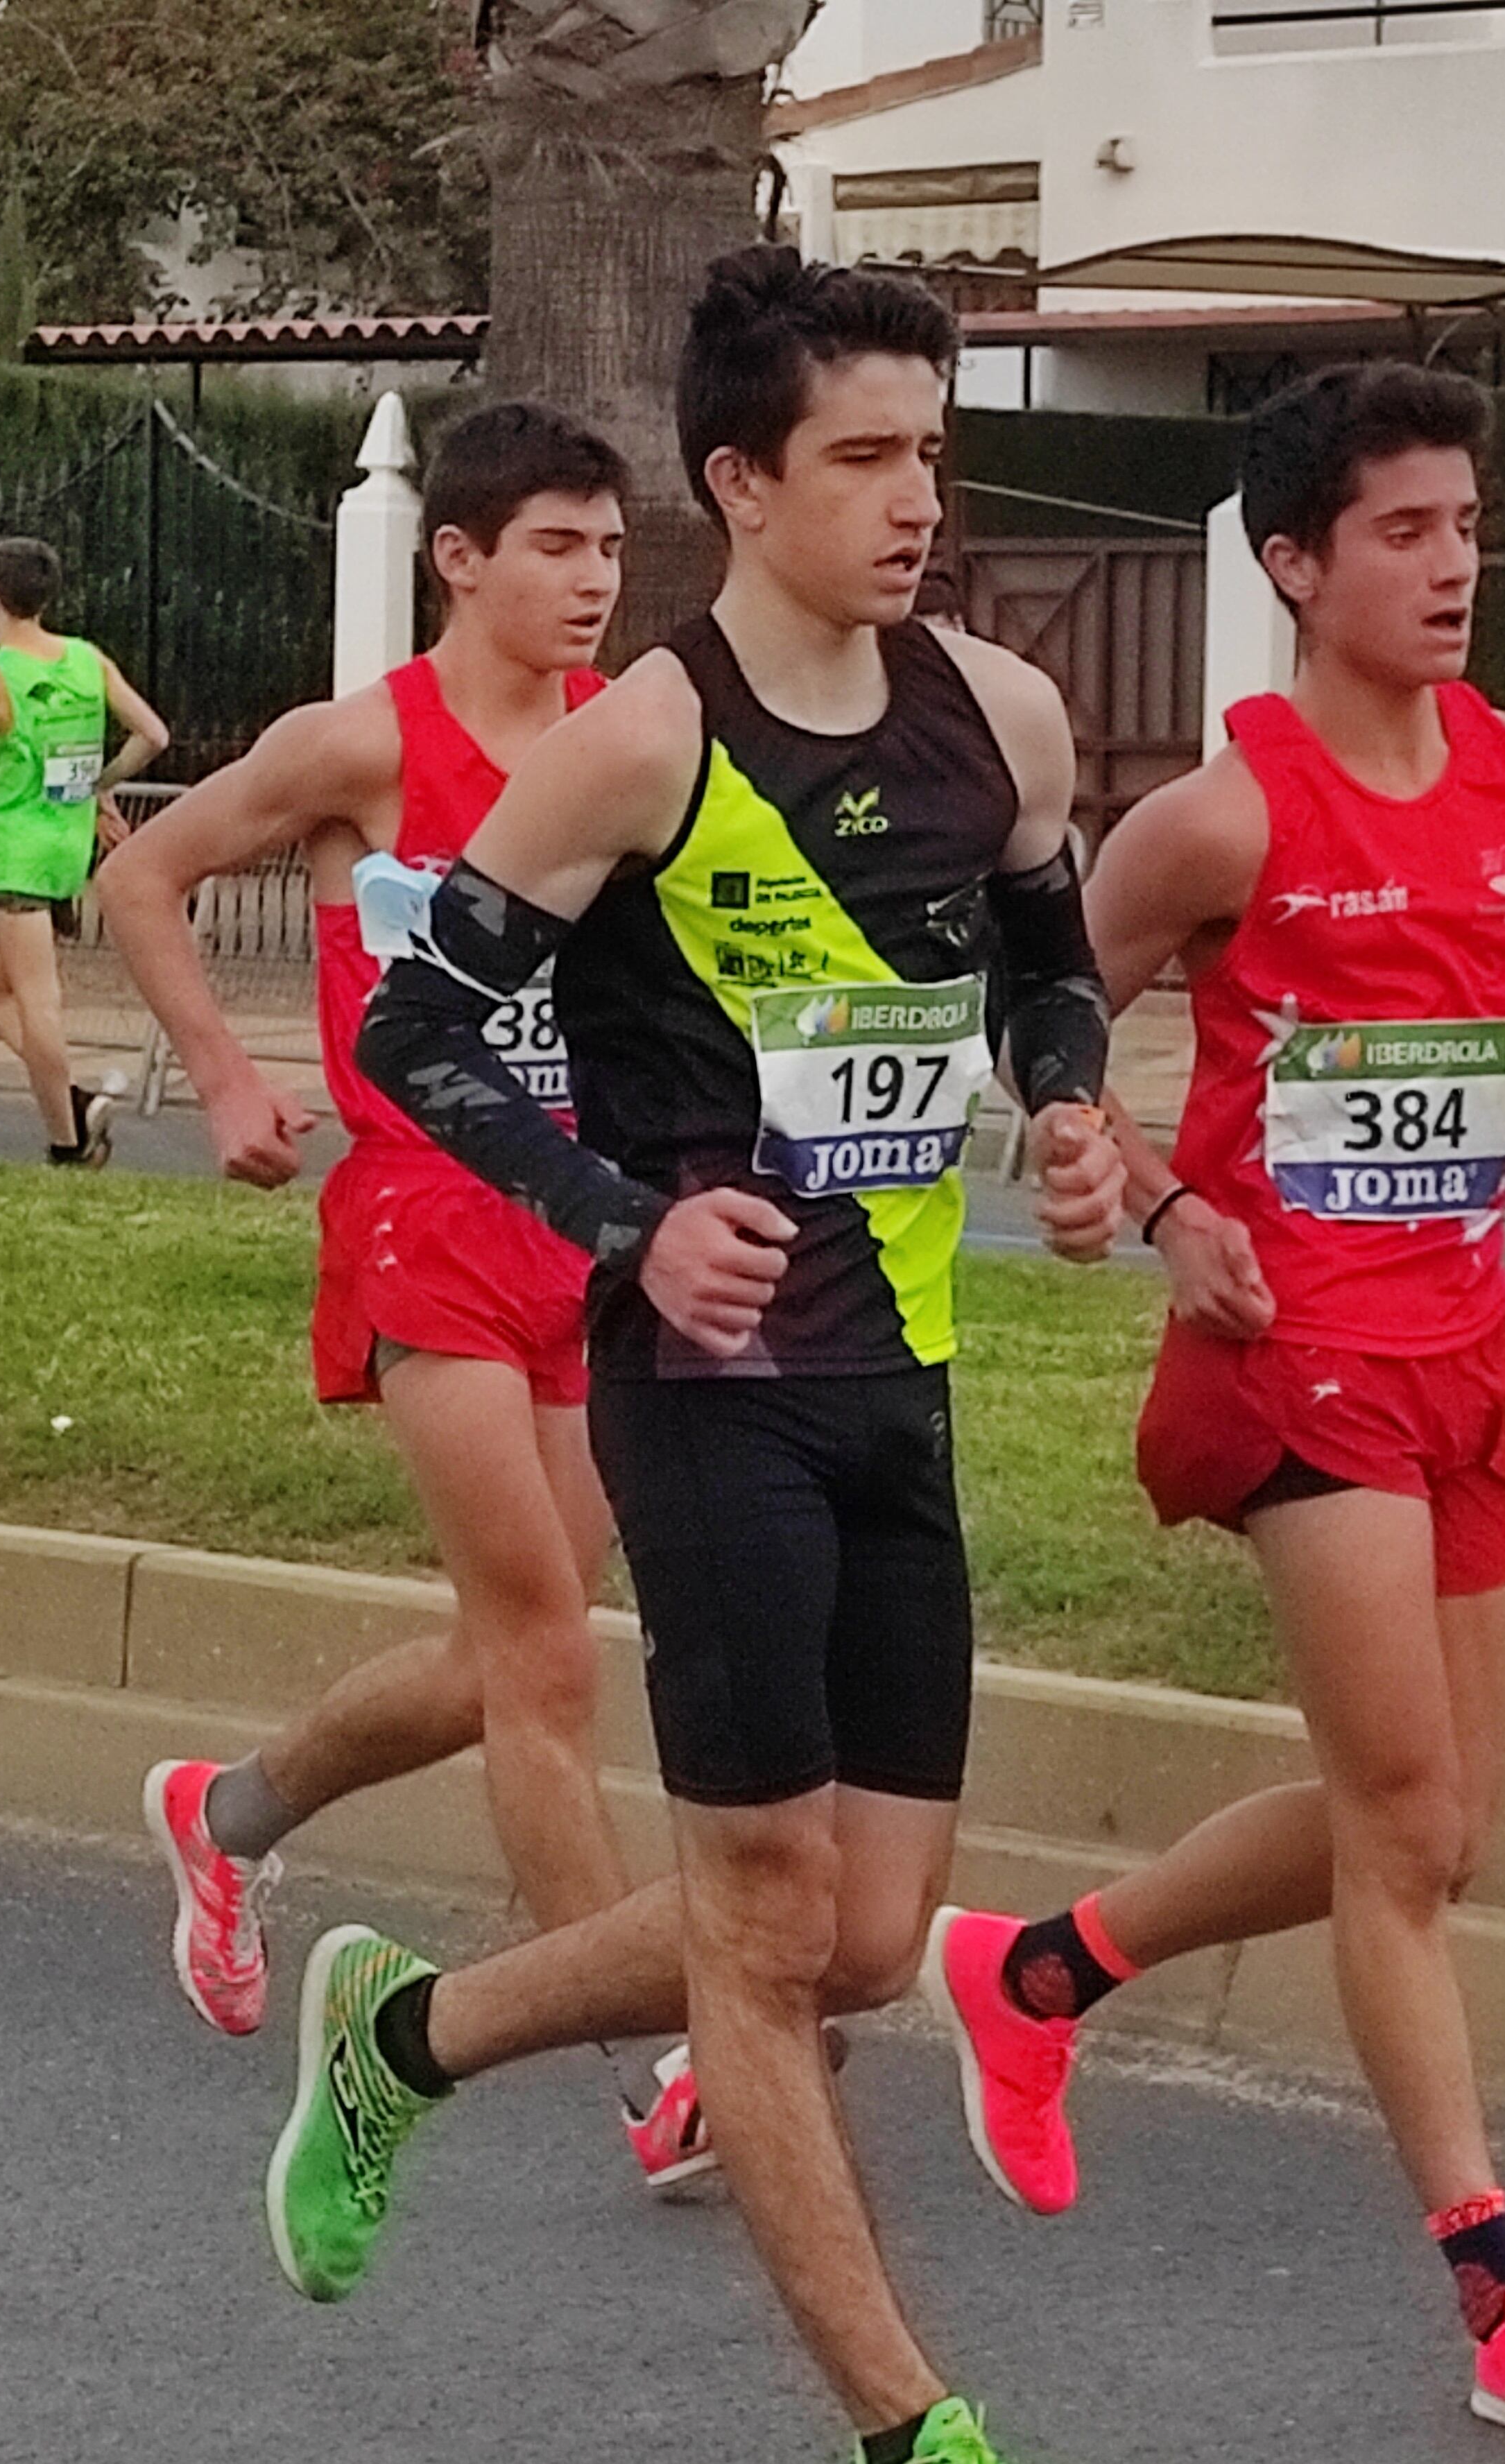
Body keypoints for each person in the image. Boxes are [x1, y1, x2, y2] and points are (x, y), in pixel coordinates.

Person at [273, 250, 1120, 2464]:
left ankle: (408, 2033)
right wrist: (635, 1232)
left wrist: (1063, 1093)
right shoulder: (643, 739)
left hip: (900, 1379)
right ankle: (899, 2416)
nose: (913, 496)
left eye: (929, 449)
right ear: (738, 484)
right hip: (707, 1387)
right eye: (861, 455)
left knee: (865, 1929)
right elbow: (413, 1026)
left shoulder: (1000, 714)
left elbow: (1049, 949)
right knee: (760, 1920)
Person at [918, 363, 1505, 2460]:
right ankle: (1502, 2295)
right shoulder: (1229, 811)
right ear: (1293, 561)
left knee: (1443, 1822)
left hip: (1462, 1353)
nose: (1451, 561)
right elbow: (1042, 1016)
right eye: (1400, 528)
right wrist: (1158, 1187)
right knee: (1396, 1827)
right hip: (1287, 1356)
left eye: (1462, 522)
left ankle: (1033, 1972)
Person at [96, 404, 700, 2183]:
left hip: (586, 1219)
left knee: (505, 1654)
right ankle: (649, 2063)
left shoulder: (631, 745)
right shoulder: (364, 741)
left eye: (609, 552)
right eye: (556, 549)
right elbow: (143, 873)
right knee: (541, 1660)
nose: (593, 584)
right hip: (423, 1212)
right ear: (459, 556)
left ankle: (232, 1810)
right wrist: (220, 1075)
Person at [0, 536, 168, 1165]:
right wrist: (100, 786)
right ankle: (74, 1099)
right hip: (67, 849)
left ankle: (68, 1144)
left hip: (15, 851)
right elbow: (152, 733)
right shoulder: (86, 660)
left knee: (38, 1002)